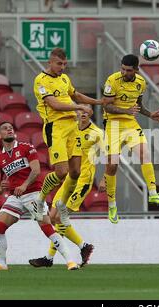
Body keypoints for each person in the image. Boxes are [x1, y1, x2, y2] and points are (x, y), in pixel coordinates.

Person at [0, 122, 80, 271]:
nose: (9, 129)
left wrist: (24, 185)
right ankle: (2, 264)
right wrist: (0, 188)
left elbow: (36, 170)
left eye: (11, 127)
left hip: (34, 193)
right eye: (5, 128)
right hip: (15, 197)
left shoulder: (26, 148)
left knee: (47, 228)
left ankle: (70, 261)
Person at [33, 47, 102, 227]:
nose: (62, 67)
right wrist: (78, 107)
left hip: (72, 127)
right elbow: (54, 104)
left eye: (64, 64)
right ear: (50, 62)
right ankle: (40, 200)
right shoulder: (41, 80)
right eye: (59, 63)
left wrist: (97, 102)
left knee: (76, 172)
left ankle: (62, 205)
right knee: (61, 172)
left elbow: (75, 94)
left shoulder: (64, 79)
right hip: (55, 128)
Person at [29, 107, 105, 268]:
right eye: (81, 111)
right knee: (52, 216)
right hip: (69, 180)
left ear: (91, 114)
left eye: (87, 111)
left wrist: (105, 178)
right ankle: (83, 246)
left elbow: (111, 156)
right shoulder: (71, 130)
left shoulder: (97, 133)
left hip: (83, 180)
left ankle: (50, 257)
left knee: (58, 217)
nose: (83, 113)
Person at [101, 54, 159, 224]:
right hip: (113, 124)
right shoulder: (112, 81)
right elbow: (106, 105)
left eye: (128, 70)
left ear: (136, 70)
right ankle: (112, 205)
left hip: (130, 123)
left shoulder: (140, 83)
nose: (123, 72)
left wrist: (150, 114)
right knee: (113, 165)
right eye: (122, 68)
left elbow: (138, 106)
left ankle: (152, 193)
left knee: (145, 153)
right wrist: (126, 111)